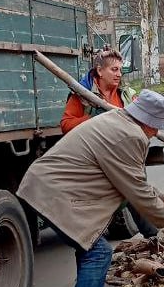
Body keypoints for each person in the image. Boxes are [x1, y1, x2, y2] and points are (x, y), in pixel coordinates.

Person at [19, 90, 164, 287]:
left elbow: (127, 178)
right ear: (149, 123)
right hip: (54, 193)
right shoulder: (130, 136)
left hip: (51, 187)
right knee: (98, 253)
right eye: (155, 128)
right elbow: (134, 188)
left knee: (90, 248)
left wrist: (162, 198)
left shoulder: (118, 121)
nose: (155, 133)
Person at [62, 48, 158, 238]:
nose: (119, 74)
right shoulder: (83, 96)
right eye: (114, 70)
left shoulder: (126, 95)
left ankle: (154, 240)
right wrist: (94, 121)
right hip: (97, 160)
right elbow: (65, 125)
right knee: (119, 200)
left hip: (126, 157)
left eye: (120, 70)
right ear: (99, 71)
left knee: (137, 197)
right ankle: (95, 241)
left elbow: (143, 122)